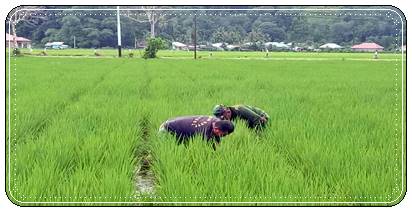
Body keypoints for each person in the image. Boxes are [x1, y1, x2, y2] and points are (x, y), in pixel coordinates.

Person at [158, 115, 235, 150]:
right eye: (223, 134)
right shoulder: (201, 131)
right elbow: (188, 144)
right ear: (217, 129)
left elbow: (215, 139)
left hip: (176, 125)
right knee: (161, 151)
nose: (223, 136)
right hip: (167, 130)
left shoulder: (216, 121)